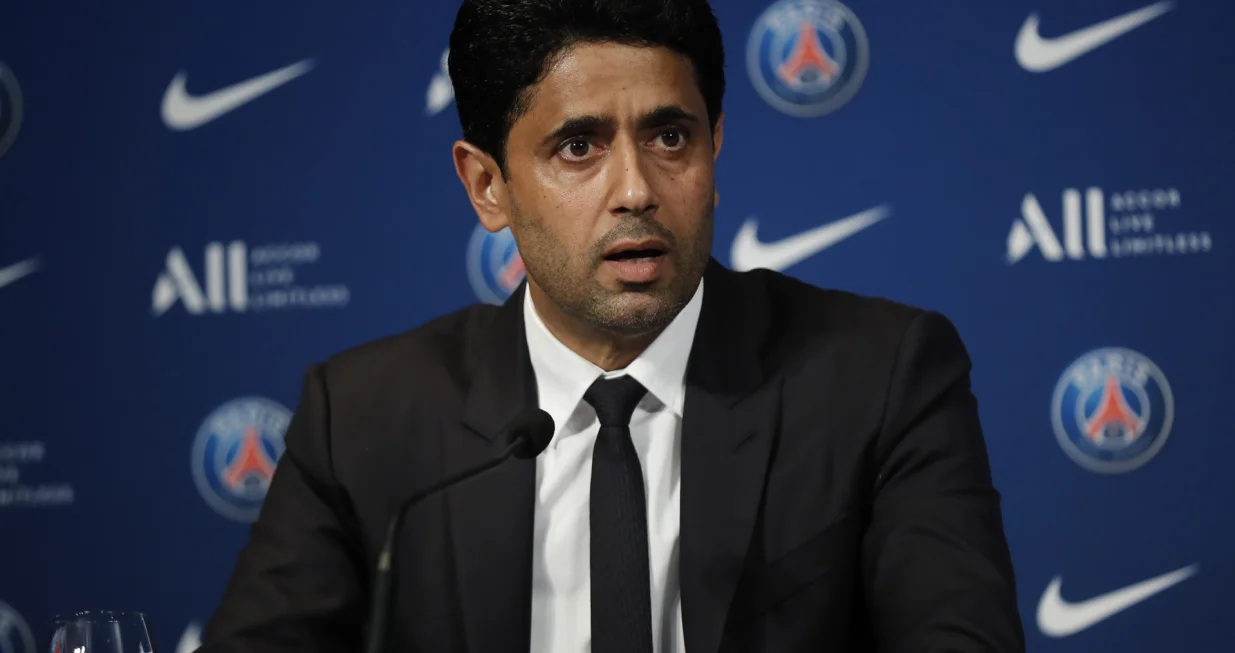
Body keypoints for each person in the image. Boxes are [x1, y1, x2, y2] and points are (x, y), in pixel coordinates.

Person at [199, 0, 1025, 651]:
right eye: (578, 147)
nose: (635, 189)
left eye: (670, 136)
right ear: (487, 186)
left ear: (715, 148)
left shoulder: (879, 377)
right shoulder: (366, 418)